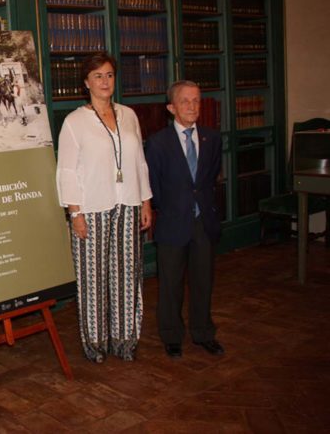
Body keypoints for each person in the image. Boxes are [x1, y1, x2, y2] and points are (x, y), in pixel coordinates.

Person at [56, 51, 152, 363]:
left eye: (109, 75)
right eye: (98, 76)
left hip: (128, 203)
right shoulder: (74, 122)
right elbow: (66, 171)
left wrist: (146, 202)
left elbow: (139, 162)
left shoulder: (129, 115)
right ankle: (95, 344)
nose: (104, 81)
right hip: (91, 208)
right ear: (86, 82)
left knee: (127, 274)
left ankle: (125, 340)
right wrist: (75, 213)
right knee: (93, 279)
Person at [145, 80, 224, 359]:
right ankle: (172, 336)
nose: (192, 106)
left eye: (196, 101)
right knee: (170, 284)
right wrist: (173, 210)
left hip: (204, 223)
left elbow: (210, 179)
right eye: (185, 101)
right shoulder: (157, 143)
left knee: (203, 281)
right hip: (172, 223)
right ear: (171, 107)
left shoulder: (212, 139)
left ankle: (203, 333)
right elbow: (153, 185)